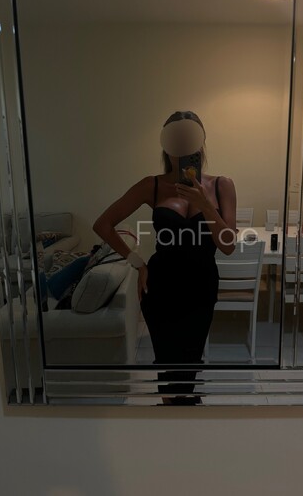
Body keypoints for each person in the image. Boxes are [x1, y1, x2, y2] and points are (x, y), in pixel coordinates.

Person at [93, 110, 237, 403]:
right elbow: (103, 224)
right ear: (166, 146)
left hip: (201, 287)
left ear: (201, 143)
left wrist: (204, 204)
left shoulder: (221, 185)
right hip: (161, 288)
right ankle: (171, 412)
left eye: (189, 140)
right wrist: (137, 263)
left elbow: (228, 245)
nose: (183, 150)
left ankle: (183, 411)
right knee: (168, 365)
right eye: (176, 142)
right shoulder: (152, 185)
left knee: (190, 364)